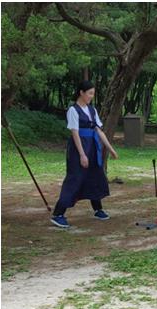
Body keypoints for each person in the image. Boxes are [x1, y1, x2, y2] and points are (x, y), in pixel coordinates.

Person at [50, 80, 119, 228]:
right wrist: (82, 154)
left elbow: (98, 131)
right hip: (78, 148)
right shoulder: (73, 110)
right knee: (75, 178)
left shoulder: (92, 110)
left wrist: (110, 148)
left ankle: (98, 209)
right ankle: (58, 214)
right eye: (90, 93)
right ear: (81, 92)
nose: (91, 96)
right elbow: (75, 133)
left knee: (95, 175)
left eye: (93, 94)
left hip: (92, 148)